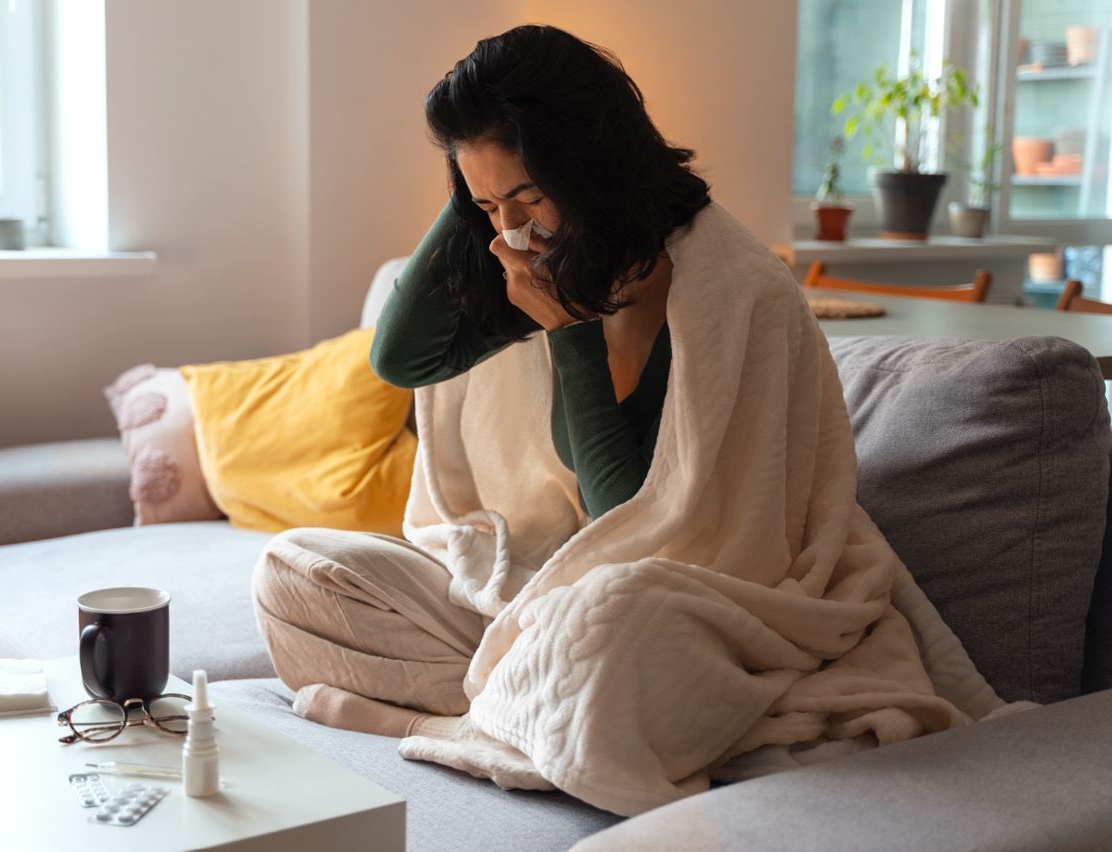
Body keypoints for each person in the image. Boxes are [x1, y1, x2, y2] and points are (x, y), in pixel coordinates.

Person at [253, 25, 972, 816]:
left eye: (528, 196)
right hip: (532, 595)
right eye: (488, 206)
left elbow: (641, 525)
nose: (510, 232)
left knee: (613, 626)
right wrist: (481, 194)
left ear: (588, 164)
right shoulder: (527, 265)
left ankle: (475, 712)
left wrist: (571, 337)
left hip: (678, 602)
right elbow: (400, 358)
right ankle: (517, 709)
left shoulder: (736, 291)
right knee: (293, 572)